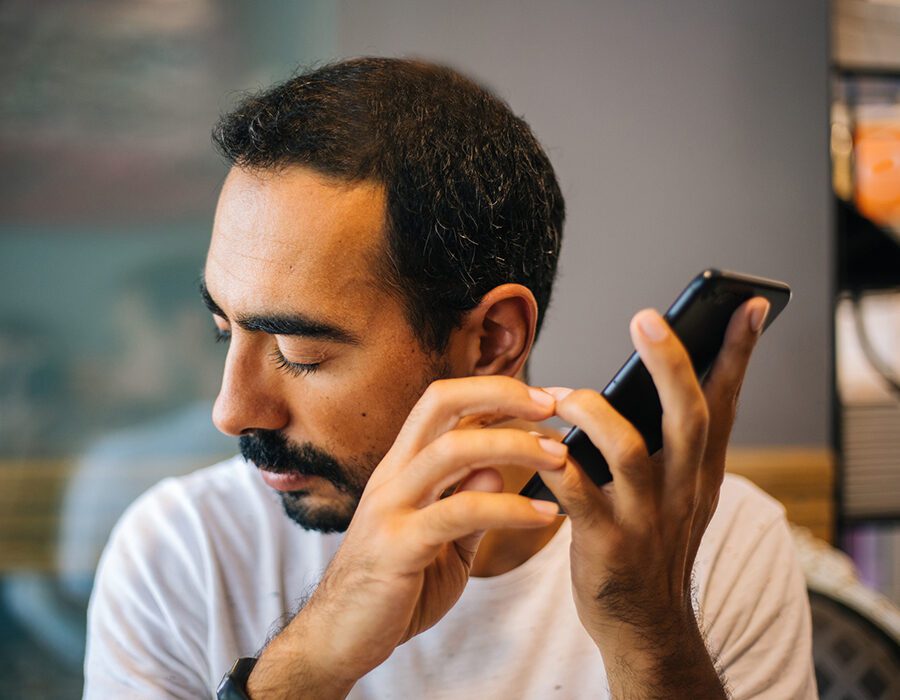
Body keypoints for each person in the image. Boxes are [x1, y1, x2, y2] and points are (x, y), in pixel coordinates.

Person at [84, 57, 816, 699]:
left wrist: (647, 630)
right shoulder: (181, 551)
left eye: (301, 350)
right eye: (226, 330)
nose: (231, 409)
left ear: (493, 340)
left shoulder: (719, 548)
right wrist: (307, 666)